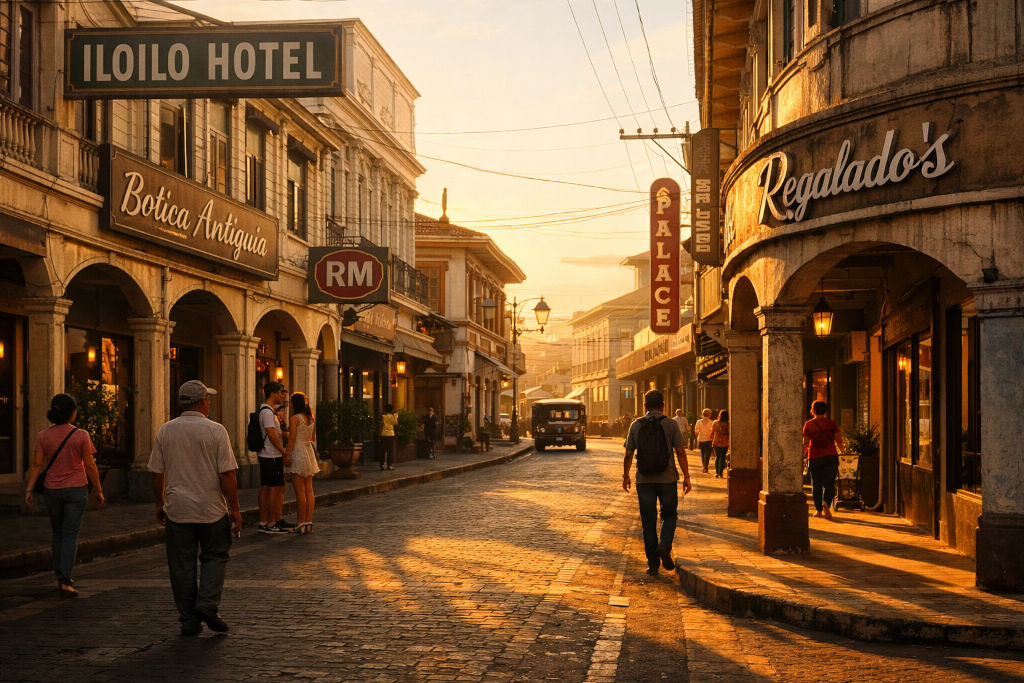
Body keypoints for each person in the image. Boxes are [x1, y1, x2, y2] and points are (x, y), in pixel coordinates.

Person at [150, 380, 242, 636]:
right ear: (202, 402)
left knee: (181, 565)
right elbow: (227, 474)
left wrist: (159, 502)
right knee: (215, 555)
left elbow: (157, 473)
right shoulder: (215, 431)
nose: (209, 403)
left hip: (177, 508)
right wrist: (235, 508)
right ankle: (207, 604)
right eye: (208, 399)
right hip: (210, 508)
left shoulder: (165, 431)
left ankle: (189, 620)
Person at [23, 393, 104, 598]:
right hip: (76, 490)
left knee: (57, 533)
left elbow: (36, 464)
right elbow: (90, 465)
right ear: (73, 413)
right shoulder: (81, 435)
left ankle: (61, 574)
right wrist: (99, 489)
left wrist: (29, 490)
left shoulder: (43, 436)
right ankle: (65, 579)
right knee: (70, 534)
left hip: (52, 491)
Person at [622, 390, 692, 576]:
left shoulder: (635, 425)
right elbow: (681, 452)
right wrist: (686, 476)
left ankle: (653, 564)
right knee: (669, 515)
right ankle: (664, 545)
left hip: (644, 480)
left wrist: (626, 476)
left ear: (644, 406)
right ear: (663, 405)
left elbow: (629, 453)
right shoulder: (670, 424)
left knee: (648, 522)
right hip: (667, 479)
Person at [256, 381, 295, 534]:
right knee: (274, 488)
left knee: (267, 487)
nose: (282, 395)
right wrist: (283, 451)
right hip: (271, 455)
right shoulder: (266, 412)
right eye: (280, 392)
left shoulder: (268, 411)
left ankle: (264, 521)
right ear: (272, 393)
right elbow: (271, 435)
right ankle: (271, 522)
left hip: (268, 455)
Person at [802, 401, 844, 520]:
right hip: (831, 456)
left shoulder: (808, 424)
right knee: (829, 484)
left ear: (812, 410)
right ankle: (826, 503)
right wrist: (842, 451)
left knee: (816, 484)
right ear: (825, 410)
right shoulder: (831, 423)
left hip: (814, 457)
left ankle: (818, 510)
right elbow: (839, 440)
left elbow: (805, 444)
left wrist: (802, 457)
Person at [284, 392, 318, 534]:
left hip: (298, 451)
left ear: (294, 404)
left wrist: (286, 455)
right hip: (308, 452)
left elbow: (292, 439)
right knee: (309, 490)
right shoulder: (310, 418)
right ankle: (308, 521)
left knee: (300, 492)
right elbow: (312, 438)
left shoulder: (294, 418)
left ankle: (300, 522)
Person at [694, 408, 715, 473]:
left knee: (703, 453)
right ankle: (706, 466)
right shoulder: (712, 422)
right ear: (710, 415)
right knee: (708, 454)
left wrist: (698, 436)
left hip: (701, 439)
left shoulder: (699, 422)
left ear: (703, 414)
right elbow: (713, 432)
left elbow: (696, 431)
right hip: (709, 439)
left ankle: (704, 466)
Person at [711, 410, 730, 478]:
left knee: (717, 457)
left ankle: (717, 472)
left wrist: (712, 440)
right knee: (722, 457)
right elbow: (729, 433)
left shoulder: (715, 423)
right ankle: (720, 472)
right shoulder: (728, 424)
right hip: (724, 442)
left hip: (716, 441)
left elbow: (712, 432)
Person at [380, 404, 398, 470]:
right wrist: (396, 416)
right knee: (390, 450)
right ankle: (389, 465)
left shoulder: (383, 416)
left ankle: (382, 464)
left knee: (383, 450)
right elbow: (395, 423)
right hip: (390, 434)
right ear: (391, 409)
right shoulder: (392, 416)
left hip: (383, 434)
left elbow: (381, 425)